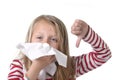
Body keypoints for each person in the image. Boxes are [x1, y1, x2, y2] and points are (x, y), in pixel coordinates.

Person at [8, 15, 111, 80]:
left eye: (53, 39)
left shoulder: (70, 65)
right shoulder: (19, 65)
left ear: (61, 45)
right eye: (39, 37)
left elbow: (104, 54)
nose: (46, 44)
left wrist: (87, 33)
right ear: (30, 40)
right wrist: (36, 67)